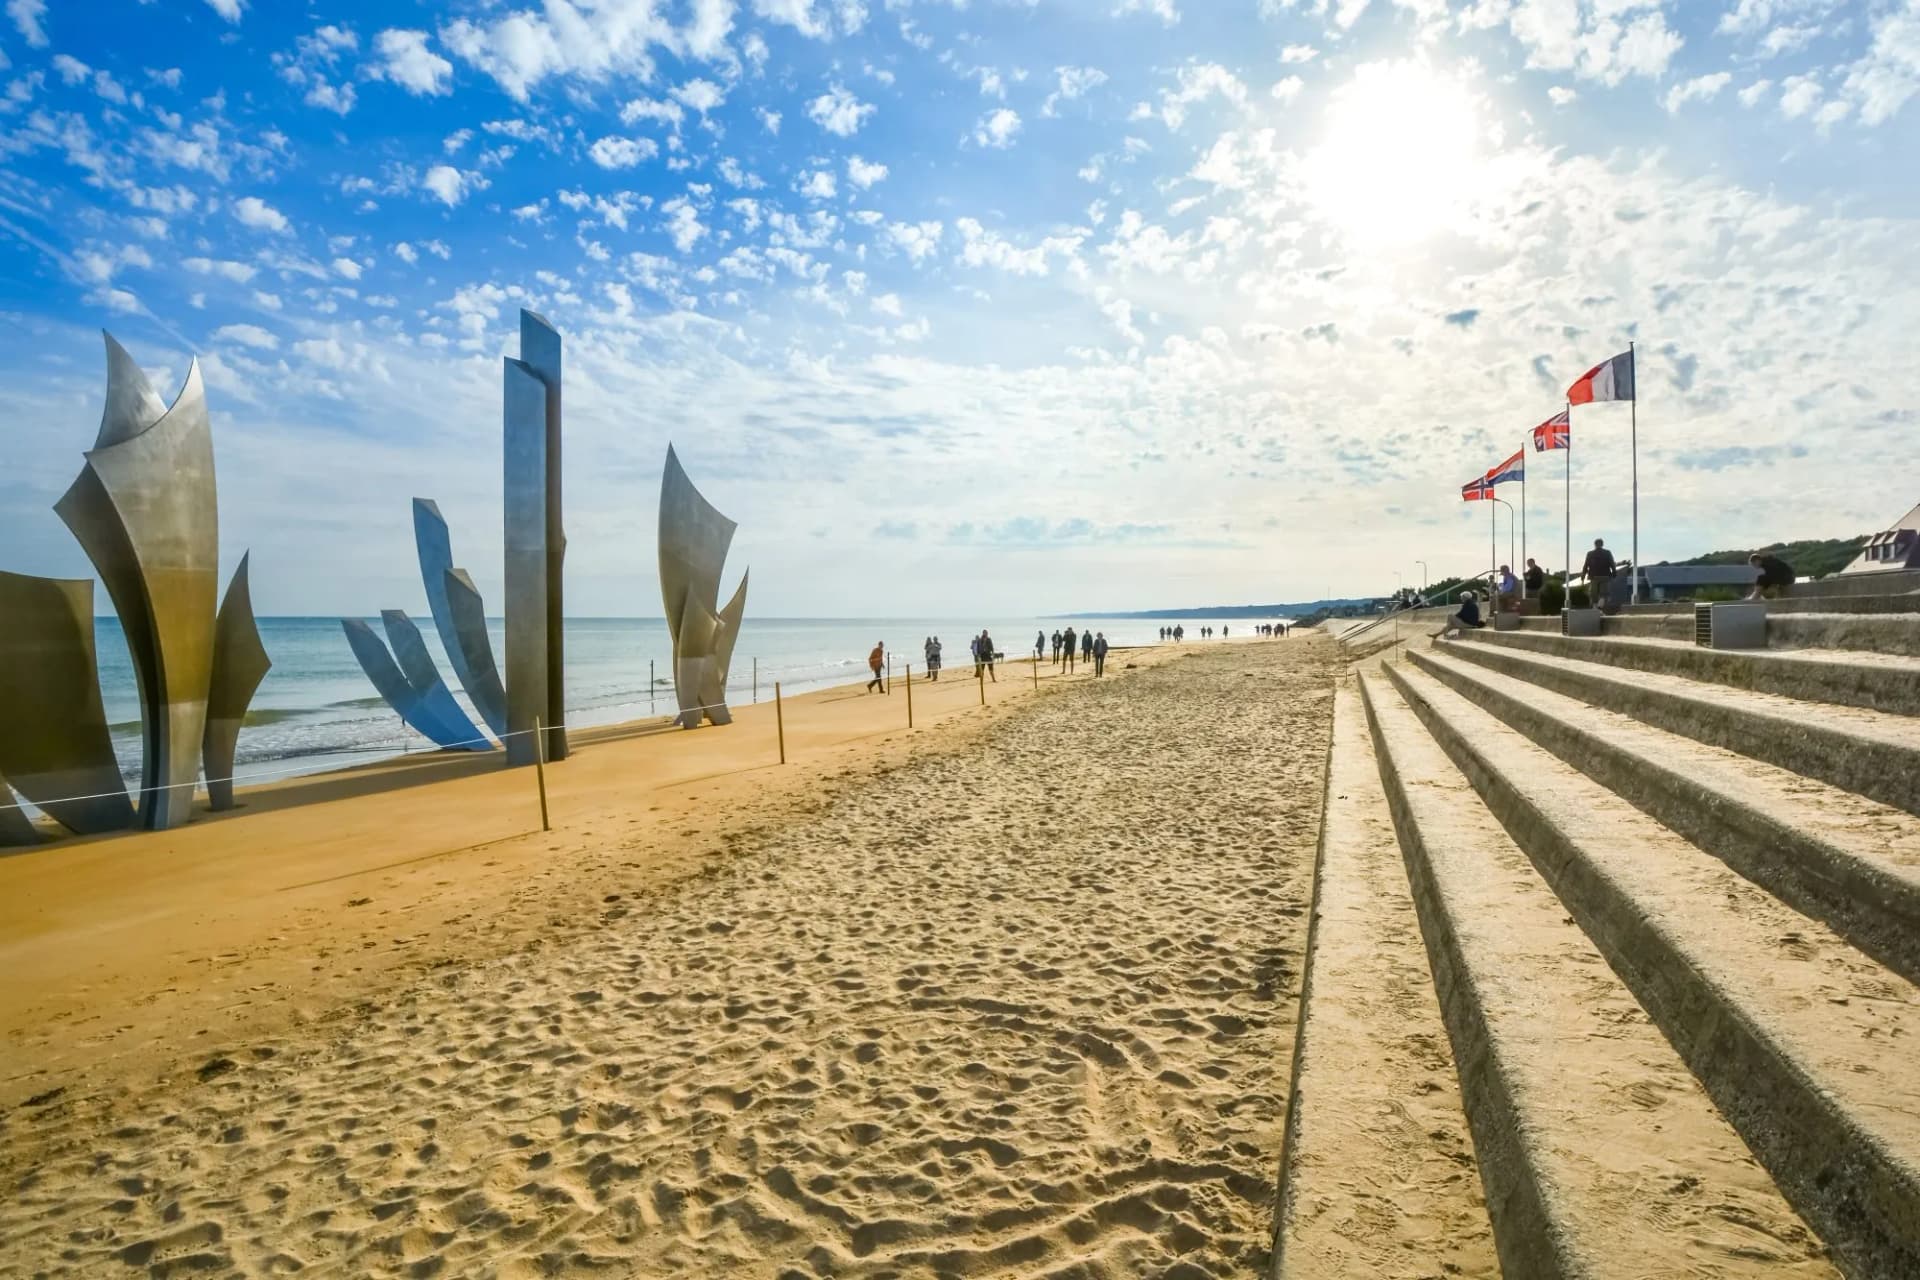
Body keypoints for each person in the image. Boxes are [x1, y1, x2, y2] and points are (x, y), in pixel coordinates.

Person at [1580, 538, 1617, 611]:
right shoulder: (1607, 553)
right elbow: (1612, 563)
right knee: (1604, 593)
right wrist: (1614, 572)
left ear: (1595, 544)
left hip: (1593, 576)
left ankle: (1595, 606)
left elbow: (1586, 565)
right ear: (1602, 544)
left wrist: (1583, 575)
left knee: (1594, 593)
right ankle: (1600, 604)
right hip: (1605, 576)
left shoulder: (1590, 553)